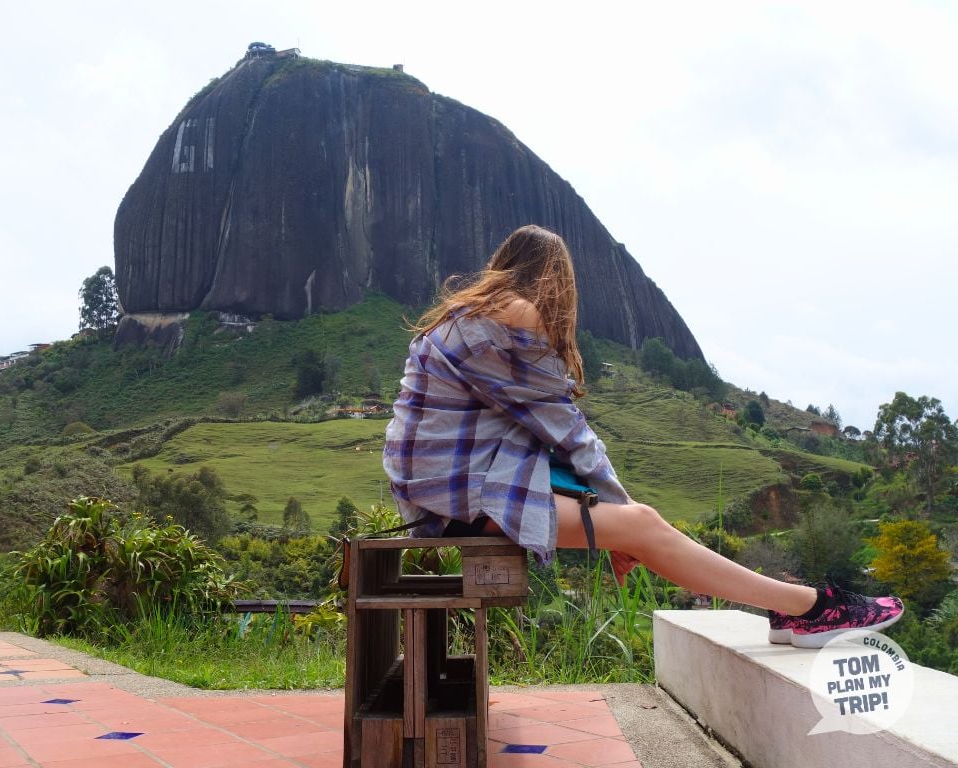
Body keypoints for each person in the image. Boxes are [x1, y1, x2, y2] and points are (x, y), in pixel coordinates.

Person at [383, 224, 903, 649]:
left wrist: (618, 519)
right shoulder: (513, 314)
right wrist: (625, 518)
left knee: (638, 523)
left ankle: (794, 607)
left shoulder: (466, 316)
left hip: (438, 495)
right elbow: (567, 430)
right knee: (646, 525)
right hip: (456, 499)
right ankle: (808, 607)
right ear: (555, 283)